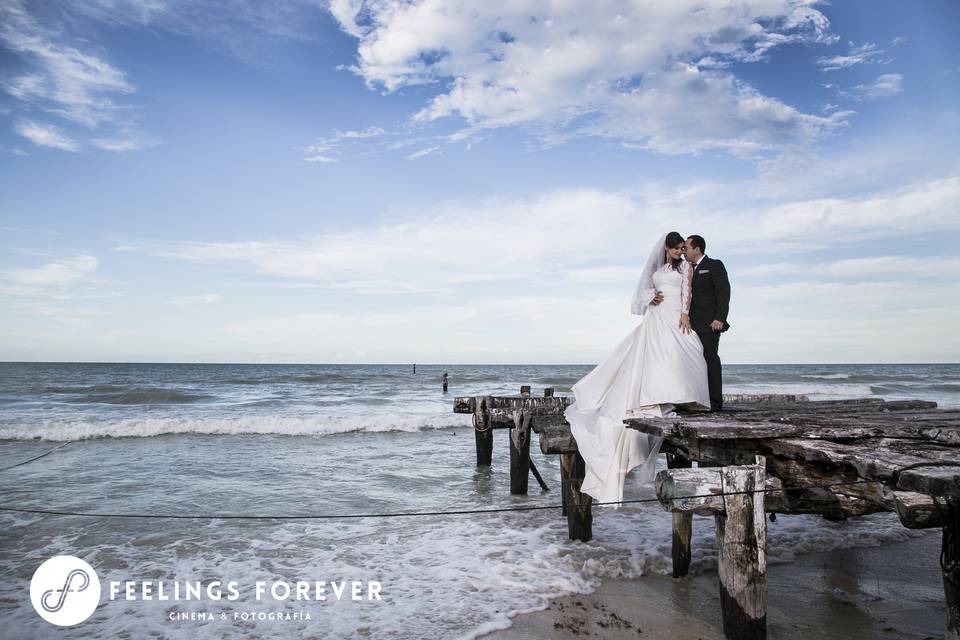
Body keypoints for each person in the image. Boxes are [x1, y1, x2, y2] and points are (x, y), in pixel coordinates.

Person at [564, 232, 710, 506]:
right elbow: (643, 289)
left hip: (675, 311)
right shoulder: (657, 267)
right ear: (667, 247)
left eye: (682, 248)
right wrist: (649, 298)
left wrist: (684, 313)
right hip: (657, 314)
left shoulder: (685, 268)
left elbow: (687, 290)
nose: (680, 252)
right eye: (677, 248)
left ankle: (680, 396)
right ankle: (654, 394)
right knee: (653, 355)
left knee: (686, 349)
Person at [683, 235, 730, 412]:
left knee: (710, 360)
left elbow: (724, 293)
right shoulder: (685, 269)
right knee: (692, 362)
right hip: (689, 326)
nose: (683, 251)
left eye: (686, 247)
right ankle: (696, 399)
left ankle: (715, 403)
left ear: (697, 249)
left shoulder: (714, 265)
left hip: (710, 324)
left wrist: (719, 318)